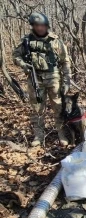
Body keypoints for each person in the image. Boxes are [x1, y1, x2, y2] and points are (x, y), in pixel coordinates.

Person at [12, 12, 71, 147]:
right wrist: (23, 65)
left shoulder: (56, 41)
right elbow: (15, 56)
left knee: (59, 107)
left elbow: (65, 62)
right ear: (33, 26)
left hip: (54, 78)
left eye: (43, 25)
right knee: (36, 108)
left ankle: (61, 133)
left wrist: (67, 80)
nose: (40, 28)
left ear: (47, 26)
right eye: (37, 25)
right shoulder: (27, 41)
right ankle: (39, 135)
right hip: (35, 79)